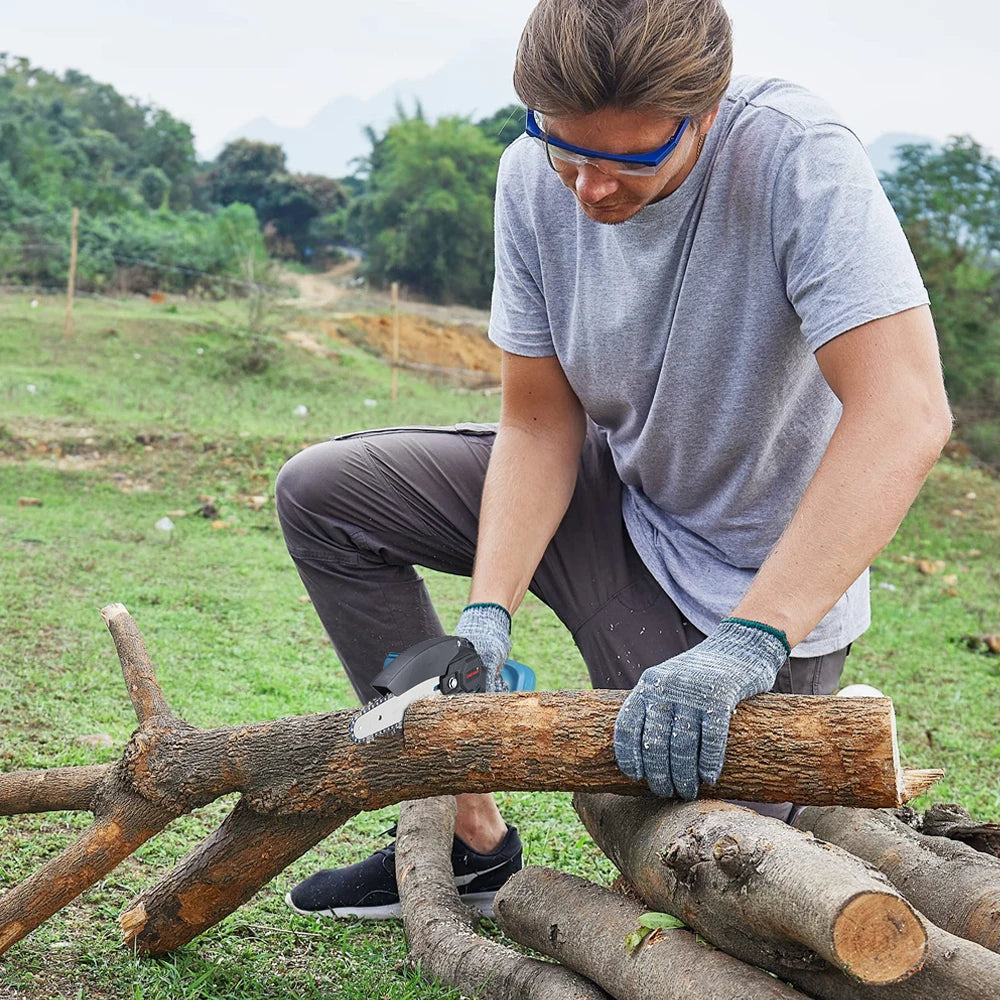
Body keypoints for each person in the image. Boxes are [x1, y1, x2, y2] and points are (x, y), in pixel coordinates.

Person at [275, 0, 952, 920]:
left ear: (705, 111)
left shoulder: (796, 158)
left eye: (628, 161)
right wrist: (486, 615)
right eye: (566, 149)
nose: (589, 190)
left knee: (709, 870)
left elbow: (904, 414)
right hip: (615, 501)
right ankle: (467, 839)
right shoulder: (532, 175)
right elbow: (538, 424)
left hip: (750, 585)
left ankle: (811, 737)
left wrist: (749, 643)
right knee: (325, 494)